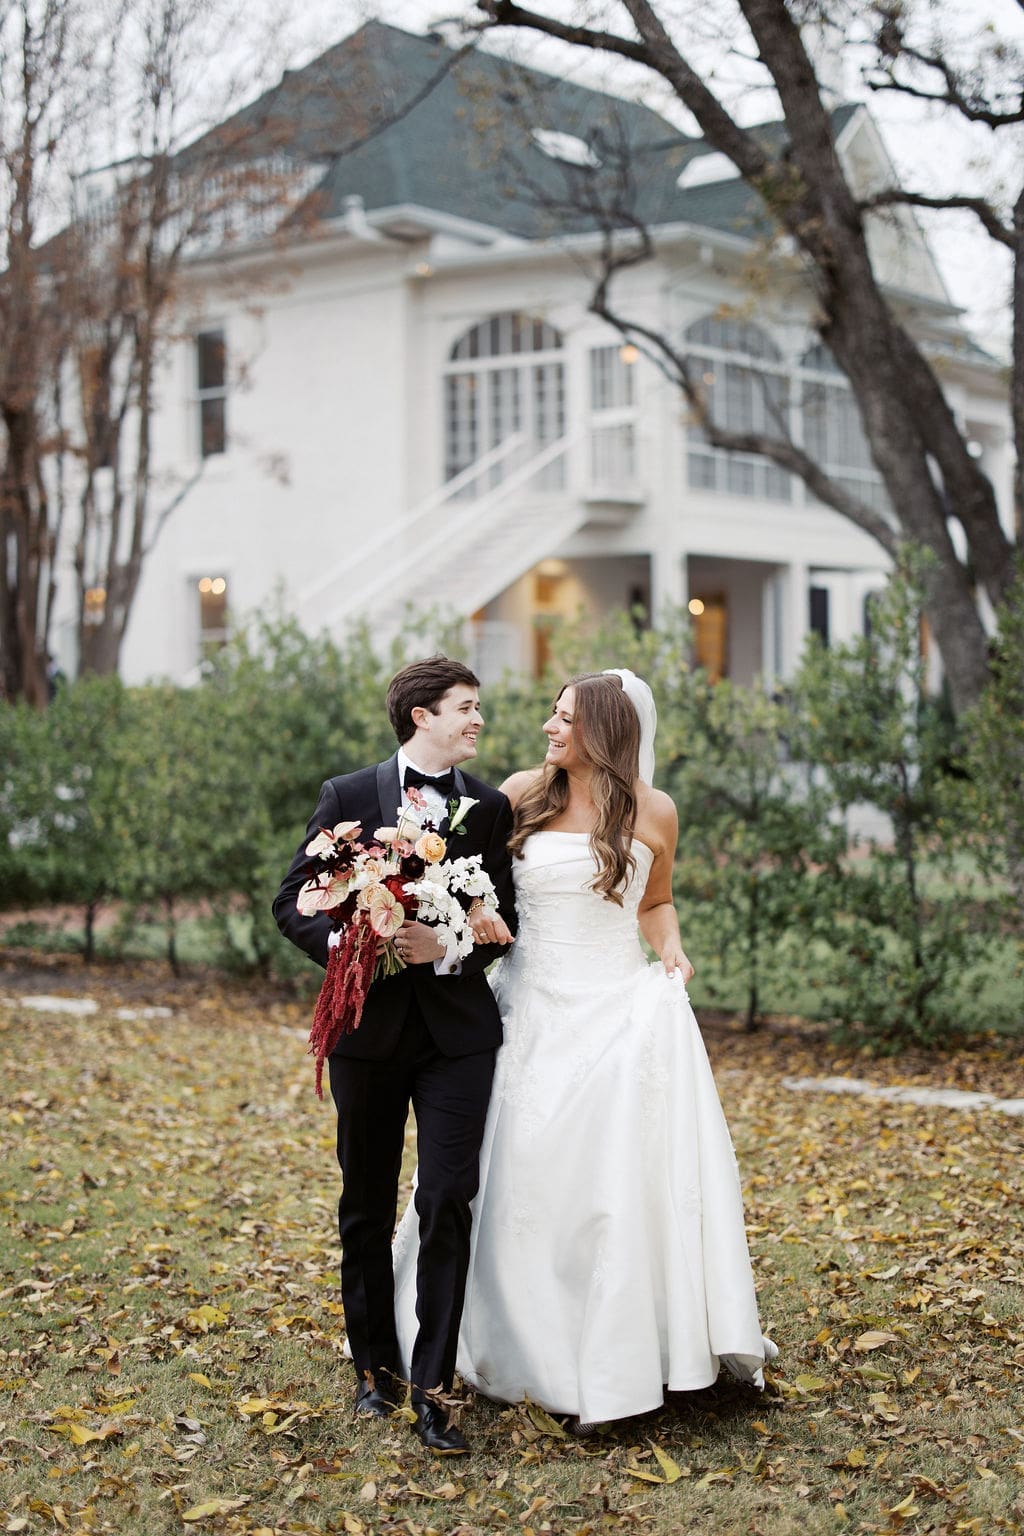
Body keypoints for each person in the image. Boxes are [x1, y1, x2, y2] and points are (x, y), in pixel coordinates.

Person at [393, 668, 775, 1429]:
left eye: (563, 717)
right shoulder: (520, 794)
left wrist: (672, 953)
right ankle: (502, 1339)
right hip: (529, 1012)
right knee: (517, 1176)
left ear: (602, 728)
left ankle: (617, 1351)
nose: (548, 727)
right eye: (551, 712)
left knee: (608, 1189)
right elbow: (480, 894)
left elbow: (657, 901)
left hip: (617, 1016)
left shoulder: (655, 810)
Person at [273, 656, 516, 1455]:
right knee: (368, 1203)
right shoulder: (349, 796)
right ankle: (373, 1372)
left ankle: (436, 1388)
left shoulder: (486, 808)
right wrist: (361, 943)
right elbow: (294, 900)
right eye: (466, 707)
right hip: (368, 1037)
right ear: (422, 716)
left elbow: (501, 920)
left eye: (478, 708)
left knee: (447, 1198)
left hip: (457, 1040)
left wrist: (442, 943)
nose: (478, 720)